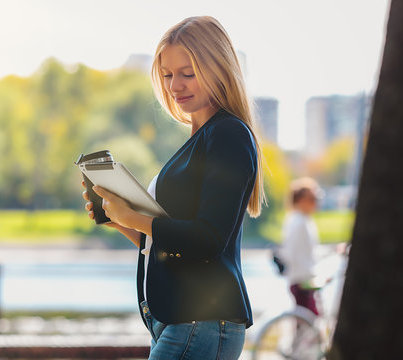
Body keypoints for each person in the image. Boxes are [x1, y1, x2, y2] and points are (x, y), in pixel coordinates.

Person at [81, 16, 266, 359]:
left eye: (188, 73)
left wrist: (134, 217)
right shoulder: (201, 139)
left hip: (200, 320)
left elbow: (207, 240)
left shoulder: (228, 135)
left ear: (218, 68)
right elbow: (170, 246)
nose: (174, 85)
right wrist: (117, 218)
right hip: (181, 321)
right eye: (167, 75)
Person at [280, 177, 322, 316]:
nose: (315, 203)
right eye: (312, 198)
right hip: (302, 281)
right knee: (309, 323)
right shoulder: (299, 222)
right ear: (300, 200)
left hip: (303, 279)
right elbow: (291, 253)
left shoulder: (301, 219)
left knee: (304, 326)